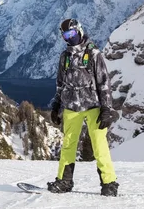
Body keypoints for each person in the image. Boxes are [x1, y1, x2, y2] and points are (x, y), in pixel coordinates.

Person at [47, 18, 119, 197]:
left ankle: (109, 183)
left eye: (71, 34)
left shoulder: (93, 53)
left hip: (93, 104)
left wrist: (107, 108)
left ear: (78, 31)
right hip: (71, 105)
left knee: (99, 144)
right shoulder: (65, 57)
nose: (69, 38)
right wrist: (56, 105)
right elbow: (60, 83)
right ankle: (64, 181)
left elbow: (104, 82)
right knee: (68, 145)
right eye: (65, 36)